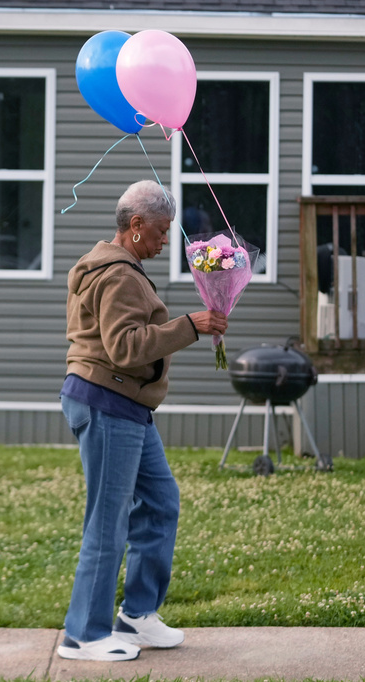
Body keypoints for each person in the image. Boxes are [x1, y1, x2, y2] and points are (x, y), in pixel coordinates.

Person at [57, 180, 228, 662]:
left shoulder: (121, 268)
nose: (165, 240)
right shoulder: (118, 275)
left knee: (159, 502)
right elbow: (125, 347)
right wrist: (190, 326)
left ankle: (136, 615)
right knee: (107, 521)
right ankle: (83, 635)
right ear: (135, 226)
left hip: (127, 405)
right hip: (108, 402)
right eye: (160, 230)